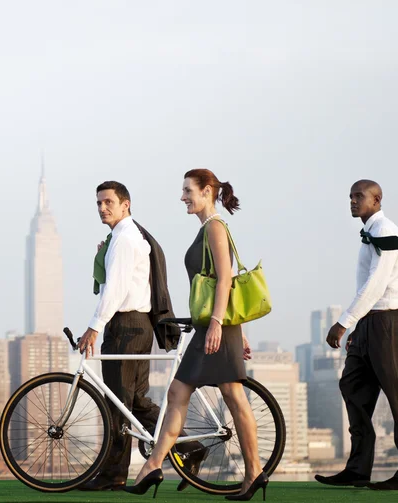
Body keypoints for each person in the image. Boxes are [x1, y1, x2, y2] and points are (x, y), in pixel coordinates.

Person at [125, 169, 267, 501]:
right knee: (178, 393)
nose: (183, 196)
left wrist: (219, 323)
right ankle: (154, 464)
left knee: (233, 398)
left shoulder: (215, 228)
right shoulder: (207, 228)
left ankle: (254, 472)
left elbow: (225, 280)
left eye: (188, 190)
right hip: (214, 327)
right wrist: (233, 329)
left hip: (214, 328)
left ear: (206, 191)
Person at [77, 180, 205, 491]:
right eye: (98, 203)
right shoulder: (123, 236)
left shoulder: (125, 239)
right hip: (136, 326)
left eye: (108, 202)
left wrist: (94, 327)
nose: (102, 208)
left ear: (126, 205)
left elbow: (116, 290)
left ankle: (113, 476)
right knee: (132, 402)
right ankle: (189, 447)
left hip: (127, 326)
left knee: (118, 404)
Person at [314, 179, 398, 491]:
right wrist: (359, 327)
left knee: (397, 394)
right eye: (350, 196)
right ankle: (358, 469)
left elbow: (377, 283)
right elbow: (369, 289)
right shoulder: (370, 233)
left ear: (376, 200)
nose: (352, 201)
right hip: (371, 323)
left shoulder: (385, 230)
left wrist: (344, 322)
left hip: (388, 321)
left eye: (358, 196)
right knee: (352, 385)